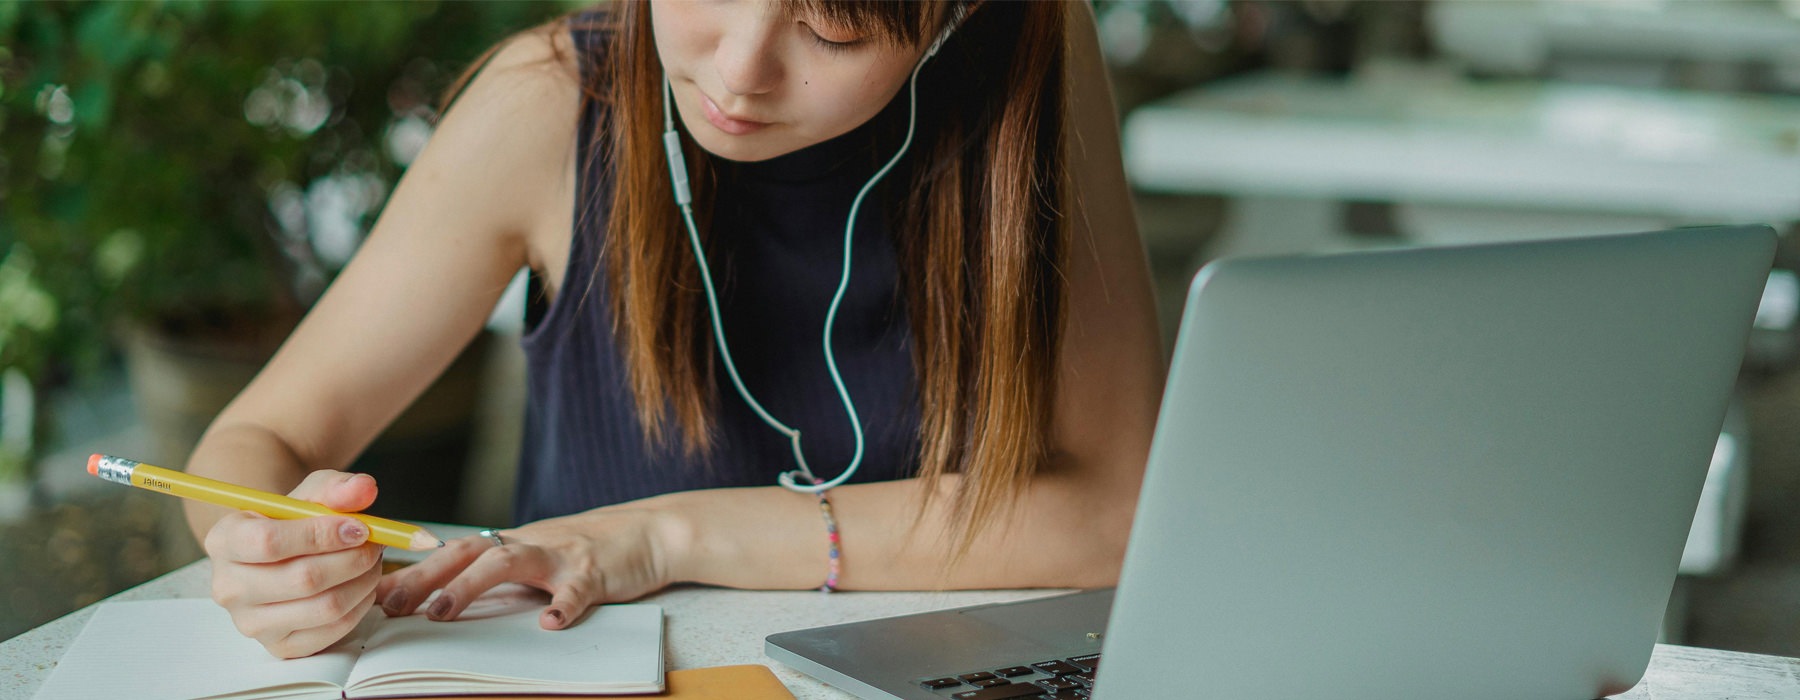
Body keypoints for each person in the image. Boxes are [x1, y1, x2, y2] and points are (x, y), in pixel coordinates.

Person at [184, 0, 1162, 660]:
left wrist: (660, 537)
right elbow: (258, 440)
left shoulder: (1027, 65)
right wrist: (268, 554)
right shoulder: (551, 103)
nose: (740, 72)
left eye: (832, 29)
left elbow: (1116, 517)